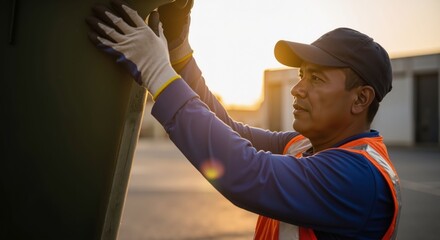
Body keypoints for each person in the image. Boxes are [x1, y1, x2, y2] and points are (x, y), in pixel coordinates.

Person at [86, 1, 402, 239]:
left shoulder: (361, 180)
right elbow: (229, 130)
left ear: (361, 99)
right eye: (302, 74)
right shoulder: (306, 145)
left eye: (316, 79)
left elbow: (246, 172)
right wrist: (179, 52)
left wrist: (158, 72)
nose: (297, 89)